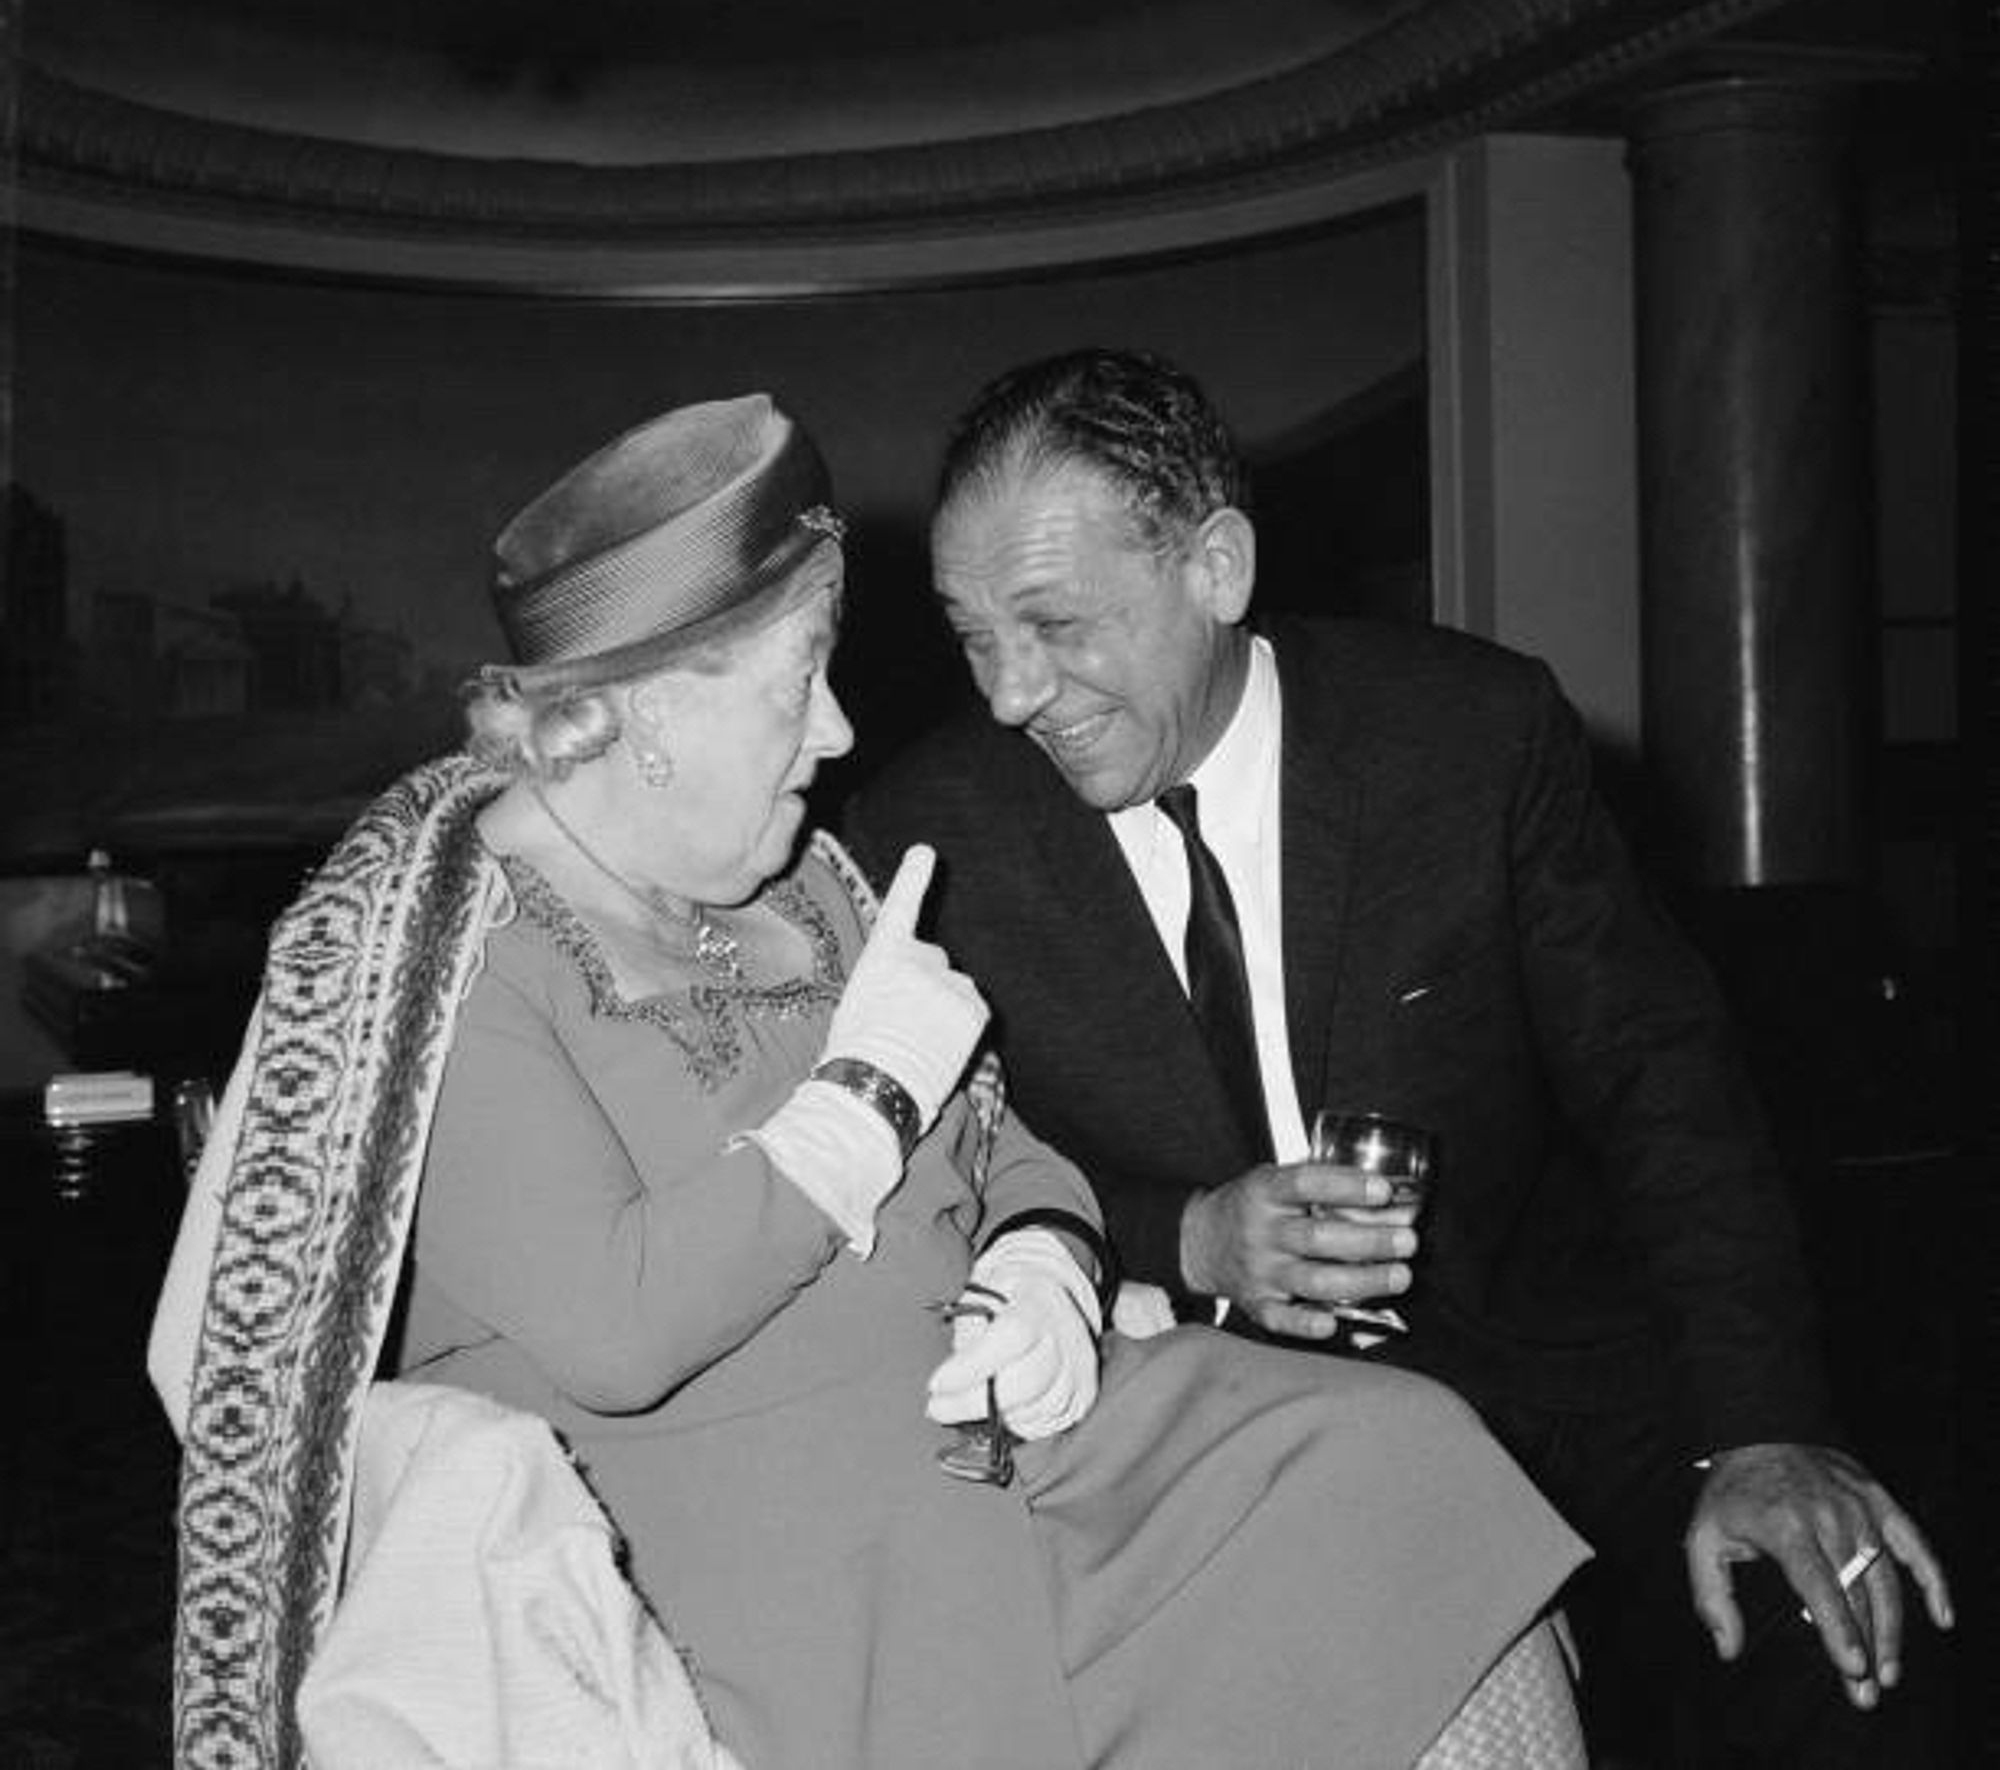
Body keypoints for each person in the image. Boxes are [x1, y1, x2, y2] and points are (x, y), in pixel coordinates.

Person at [149, 393, 1590, 1770]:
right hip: (762, 1547)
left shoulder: (819, 889)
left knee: (1400, 1465)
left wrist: (1044, 1258)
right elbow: (619, 1327)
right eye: (799, 684)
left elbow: (1002, 1136)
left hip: (1019, 1448)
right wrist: (866, 1101)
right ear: (650, 711)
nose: (840, 732)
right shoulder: (449, 963)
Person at [845, 347, 1955, 1768]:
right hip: (1207, 1420)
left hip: (1541, 1367)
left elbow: (1668, 1094)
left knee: (1835, 1616)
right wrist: (1186, 1234)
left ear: (1217, 568)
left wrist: (1767, 1429)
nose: (1009, 694)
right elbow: (933, 1187)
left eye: (1054, 625)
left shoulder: (1471, 738)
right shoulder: (929, 846)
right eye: (972, 634)